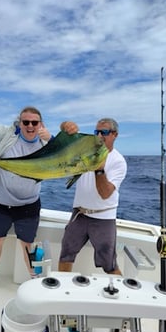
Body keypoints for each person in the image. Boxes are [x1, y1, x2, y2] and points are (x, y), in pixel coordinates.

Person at [0, 107, 77, 300]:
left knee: (27, 243)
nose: (30, 126)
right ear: (19, 123)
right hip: (0, 203)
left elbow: (67, 156)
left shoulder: (47, 143)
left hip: (29, 204)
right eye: (25, 122)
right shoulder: (7, 134)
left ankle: (34, 280)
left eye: (34, 122)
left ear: (40, 124)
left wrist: (54, 139)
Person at [58, 118, 127, 276]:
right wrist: (65, 127)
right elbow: (64, 140)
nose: (99, 136)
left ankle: (120, 296)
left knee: (109, 264)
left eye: (104, 132)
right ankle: (63, 291)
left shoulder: (119, 161)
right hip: (79, 214)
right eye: (97, 132)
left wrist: (99, 169)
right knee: (66, 255)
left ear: (114, 135)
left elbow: (105, 193)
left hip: (103, 218)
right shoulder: (85, 151)